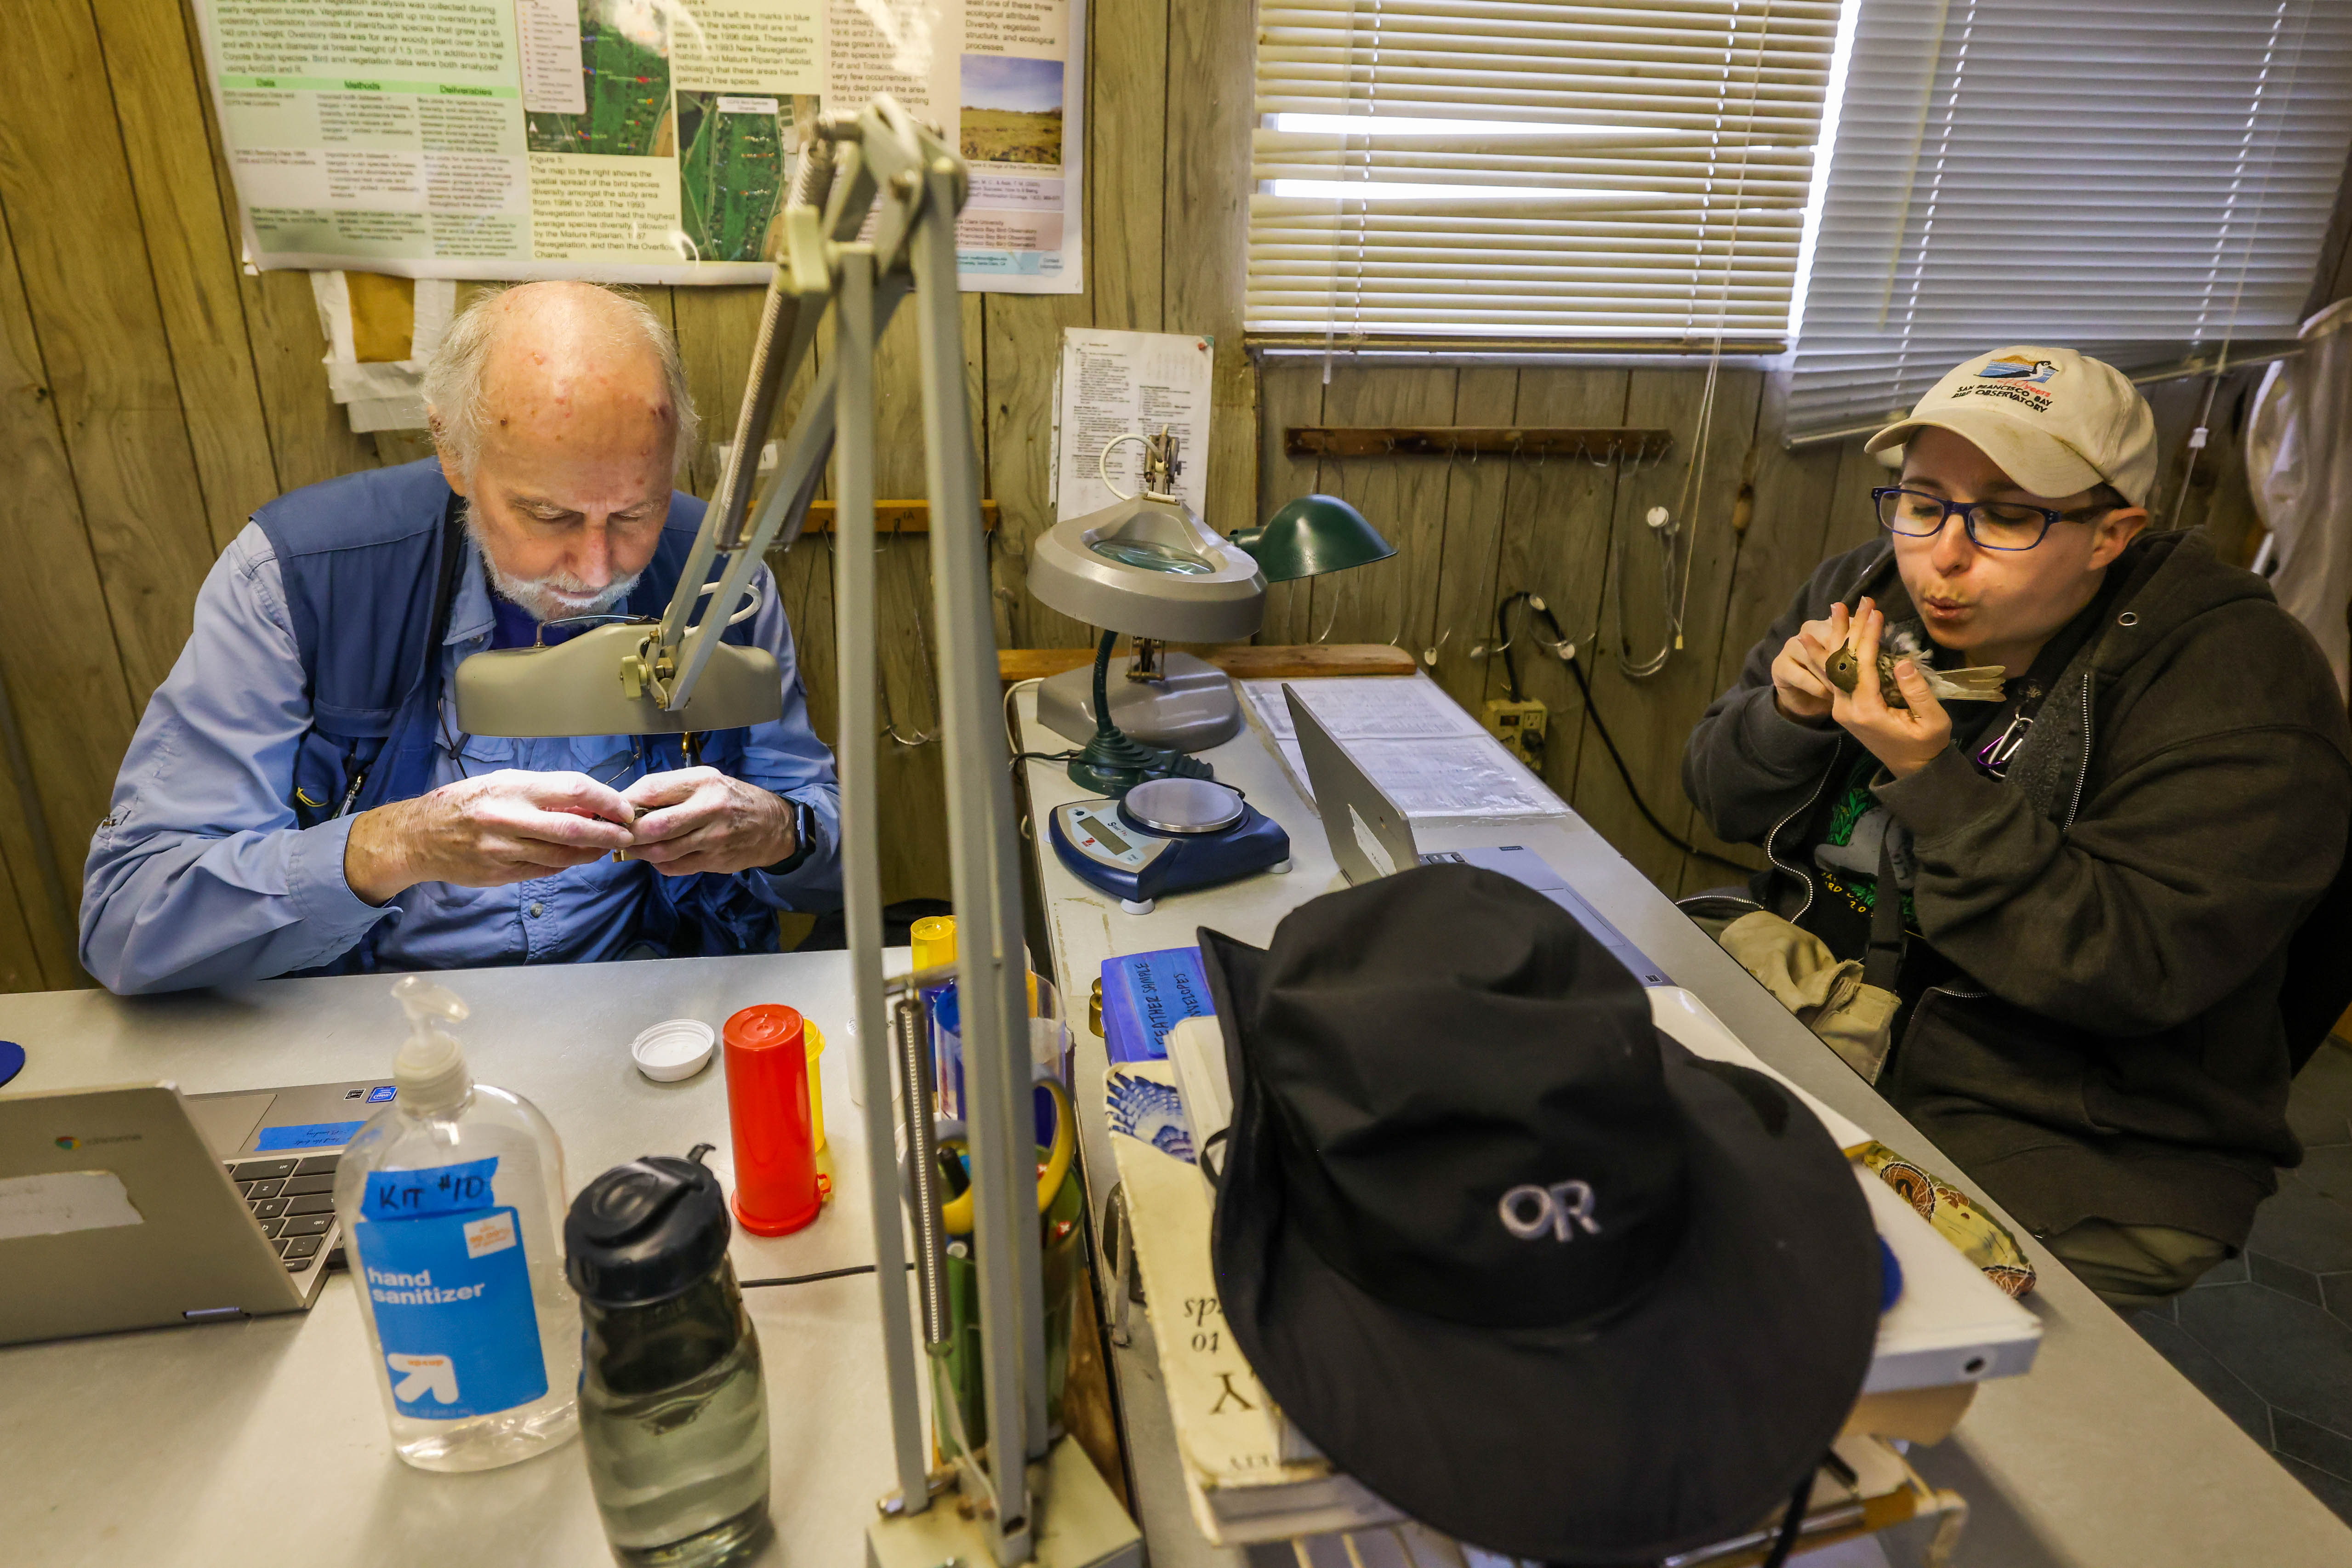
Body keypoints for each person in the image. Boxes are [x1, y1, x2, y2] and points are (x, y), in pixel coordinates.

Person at [1684, 345, 2352, 1312]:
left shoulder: (2240, 684)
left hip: (2072, 1125)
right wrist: (1780, 716)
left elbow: (2126, 967)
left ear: (2110, 534)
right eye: (1923, 502)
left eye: (2006, 516)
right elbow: (1720, 794)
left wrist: (1931, 779)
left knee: (1795, 1312)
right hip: (1829, 1020)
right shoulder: (1870, 587)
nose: (1943, 557)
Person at [80, 282, 841, 993]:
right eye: (549, 516)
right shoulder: (300, 579)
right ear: (452, 451)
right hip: (382, 1020)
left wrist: (779, 830)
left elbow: (831, 856)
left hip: (644, 1004)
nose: (597, 568)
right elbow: (127, 920)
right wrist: (393, 846)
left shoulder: (713, 578)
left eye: (636, 512)